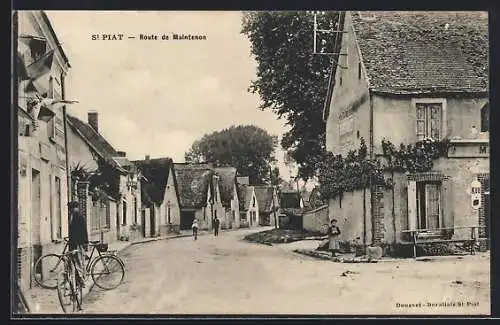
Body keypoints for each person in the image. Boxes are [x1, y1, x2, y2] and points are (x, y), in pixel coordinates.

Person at [67, 201, 89, 289]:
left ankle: (82, 281)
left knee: (79, 262)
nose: (70, 211)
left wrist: (76, 244)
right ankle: (79, 280)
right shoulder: (77, 216)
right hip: (77, 243)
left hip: (77, 244)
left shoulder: (77, 217)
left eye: (70, 209)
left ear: (73, 208)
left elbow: (78, 232)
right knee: (79, 261)